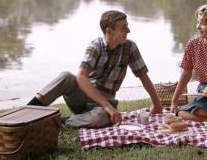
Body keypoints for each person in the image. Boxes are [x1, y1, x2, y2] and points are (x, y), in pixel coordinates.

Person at [27, 10, 162, 128]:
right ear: (109, 31)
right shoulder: (95, 46)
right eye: (124, 28)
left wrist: (157, 104)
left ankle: (59, 122)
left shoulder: (130, 48)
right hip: (82, 97)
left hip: (102, 105)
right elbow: (81, 77)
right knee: (66, 77)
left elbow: (143, 76)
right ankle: (27, 112)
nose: (128, 30)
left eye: (127, 26)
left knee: (101, 118)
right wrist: (107, 106)